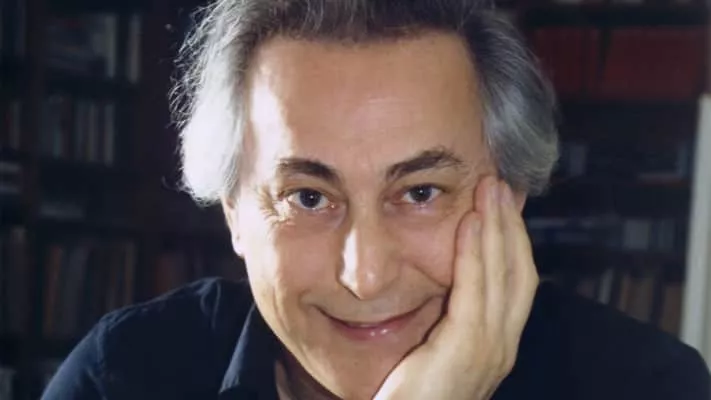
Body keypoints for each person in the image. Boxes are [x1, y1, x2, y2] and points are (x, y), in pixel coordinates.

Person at [43, 0, 710, 399]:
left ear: (510, 196)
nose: (364, 276)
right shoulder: (122, 378)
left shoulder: (644, 387)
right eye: (308, 198)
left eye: (420, 192)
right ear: (234, 214)